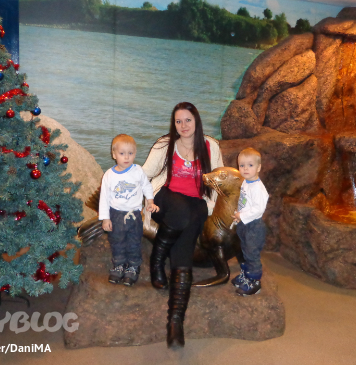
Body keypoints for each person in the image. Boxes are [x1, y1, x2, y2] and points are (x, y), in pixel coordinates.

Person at [142, 102, 223, 348]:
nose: (183, 125)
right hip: (165, 198)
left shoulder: (211, 146)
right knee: (181, 213)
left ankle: (175, 321)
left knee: (185, 243)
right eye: (178, 121)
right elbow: (144, 174)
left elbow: (219, 181)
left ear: (196, 120)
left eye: (188, 120)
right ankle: (157, 259)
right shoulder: (165, 144)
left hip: (197, 203)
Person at [99, 134, 159, 286]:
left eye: (130, 153)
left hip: (134, 215)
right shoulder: (109, 175)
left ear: (135, 154)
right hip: (116, 215)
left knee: (134, 242)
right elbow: (104, 198)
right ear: (114, 154)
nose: (126, 157)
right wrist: (105, 218)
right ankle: (119, 265)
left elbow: (146, 186)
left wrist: (150, 201)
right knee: (117, 242)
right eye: (122, 153)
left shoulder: (138, 171)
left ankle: (133, 267)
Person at [230, 147, 269, 296]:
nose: (245, 168)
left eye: (250, 165)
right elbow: (245, 202)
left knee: (252, 253)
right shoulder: (246, 182)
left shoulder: (258, 188)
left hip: (254, 226)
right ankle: (246, 275)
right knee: (245, 250)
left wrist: (242, 215)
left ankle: (254, 281)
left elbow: (258, 209)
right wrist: (239, 214)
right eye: (242, 165)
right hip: (244, 223)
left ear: (258, 167)